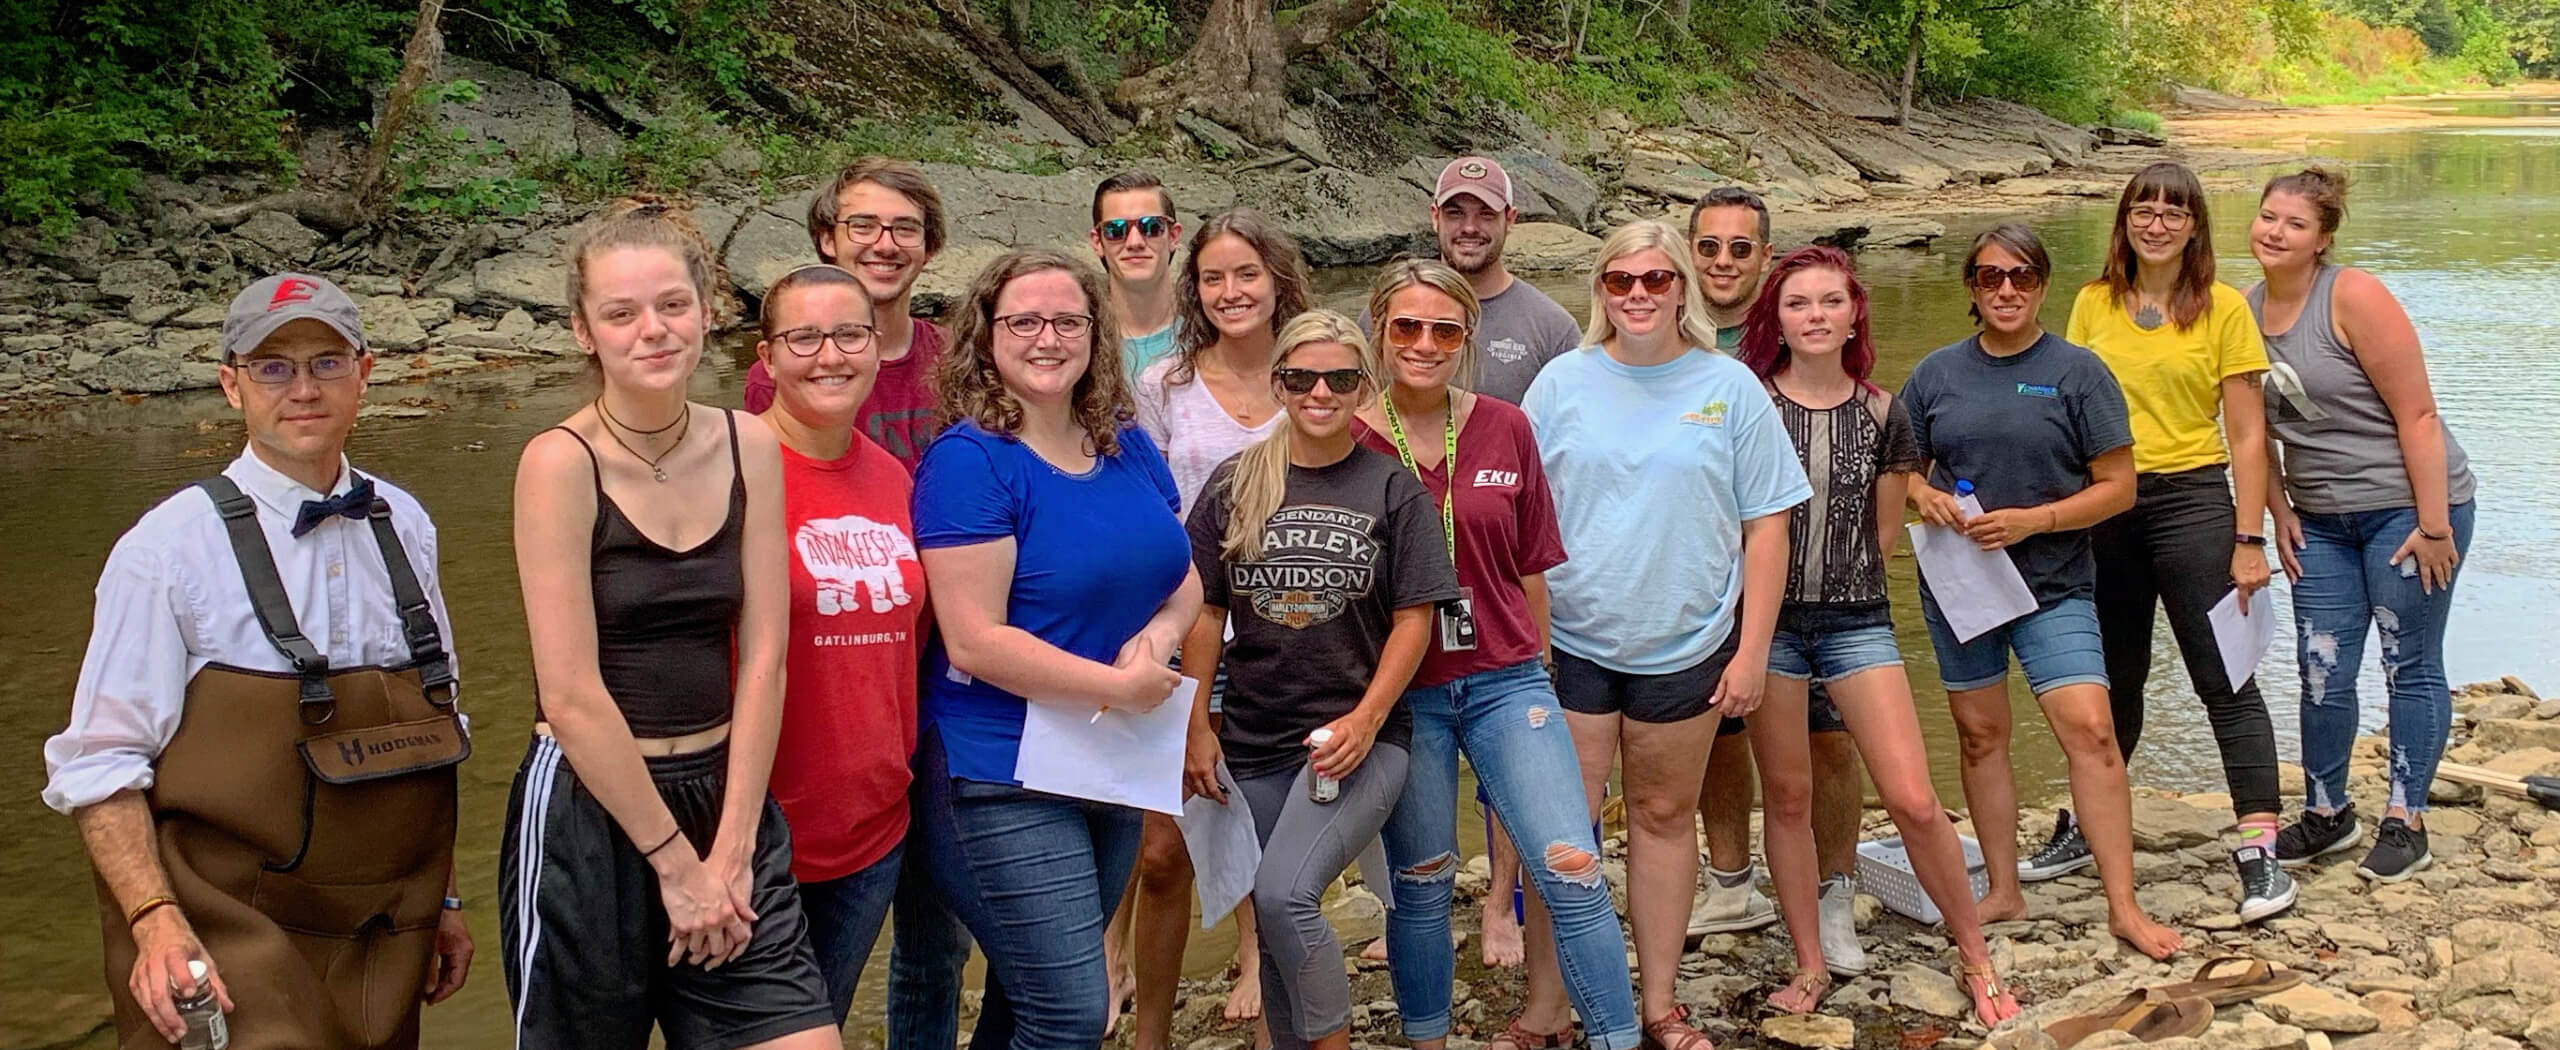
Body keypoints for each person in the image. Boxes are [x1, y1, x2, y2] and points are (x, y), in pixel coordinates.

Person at [42, 272, 472, 1048]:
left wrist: (443, 901)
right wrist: (154, 921)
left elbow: (433, 726)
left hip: (386, 931)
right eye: (273, 367)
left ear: (365, 374)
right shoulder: (166, 550)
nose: (303, 389)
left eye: (326, 363)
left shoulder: (405, 523)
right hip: (221, 931)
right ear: (231, 385)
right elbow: (100, 765)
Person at [503, 200, 837, 1048]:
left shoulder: (748, 443)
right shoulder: (559, 464)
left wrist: (732, 852)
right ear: (584, 332)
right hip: (591, 813)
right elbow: (569, 694)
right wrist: (675, 866)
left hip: (725, 798)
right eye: (622, 314)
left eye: (672, 305)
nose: (653, 330)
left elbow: (765, 658)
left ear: (708, 311)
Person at [1524, 220, 1810, 1050]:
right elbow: (1518, 517)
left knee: (1660, 815)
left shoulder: (1730, 386)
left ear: (1683, 287)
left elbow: (1768, 526)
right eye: (1622, 280)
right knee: (1563, 832)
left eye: (1656, 279)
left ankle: (1658, 1004)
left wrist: (1751, 651)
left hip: (1687, 642)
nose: (1639, 295)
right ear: (1600, 290)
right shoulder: (1560, 383)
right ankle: (1546, 1006)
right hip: (1572, 641)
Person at [910, 248, 1205, 1049]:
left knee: (1026, 1001)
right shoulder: (969, 463)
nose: (1048, 339)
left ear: (1095, 333)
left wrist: (1160, 637)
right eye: (1025, 322)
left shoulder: (1122, 442)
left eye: (1068, 321)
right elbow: (975, 640)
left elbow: (1182, 574)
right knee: (1072, 1011)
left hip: (1107, 760)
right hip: (998, 771)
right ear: (986, 335)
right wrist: (1119, 686)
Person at [1351, 261, 1641, 1050]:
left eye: (1445, 330)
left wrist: (1541, 674)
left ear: (1468, 338)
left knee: (1573, 868)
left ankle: (1616, 1037)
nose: (1425, 343)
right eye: (1407, 326)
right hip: (1404, 694)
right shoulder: (1346, 435)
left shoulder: (1506, 426)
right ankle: (1428, 1039)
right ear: (1379, 330)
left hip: (1506, 681)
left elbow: (1530, 571)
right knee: (1422, 883)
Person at [1736, 247, 2018, 1025]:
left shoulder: (1882, 413)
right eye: (1798, 303)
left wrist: (1843, 592)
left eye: (1831, 301)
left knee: (1913, 798)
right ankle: (1809, 962)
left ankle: (1975, 955)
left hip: (1857, 621)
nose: (1816, 316)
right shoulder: (1751, 405)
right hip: (1770, 626)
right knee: (1787, 798)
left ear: (1854, 314)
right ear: (1776, 319)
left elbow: (1884, 535)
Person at [1901, 223, 2182, 962]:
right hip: (1962, 585)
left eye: (2021, 276)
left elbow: (2119, 488)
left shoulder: (2078, 372)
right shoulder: (1934, 374)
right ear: (1971, 287)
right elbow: (1900, 470)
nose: (2006, 290)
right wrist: (1923, 496)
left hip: (2054, 581)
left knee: (2091, 731)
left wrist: (2037, 520)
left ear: (2043, 285)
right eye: (1990, 276)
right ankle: (2003, 889)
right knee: (1980, 734)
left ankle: (2123, 906)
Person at [1181, 309, 1460, 1050]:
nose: (1320, 392)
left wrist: (1366, 720)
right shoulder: (1235, 483)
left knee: (1285, 895)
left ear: (1363, 388)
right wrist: (1195, 723)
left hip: (1356, 741)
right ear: (1278, 384)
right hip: (1254, 735)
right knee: (1275, 927)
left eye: (1339, 378)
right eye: (1302, 377)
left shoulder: (1393, 490)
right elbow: (1204, 612)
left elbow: (1415, 620)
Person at [2057, 162, 2294, 922]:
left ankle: (2260, 851)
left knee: (2224, 675)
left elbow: (2248, 434)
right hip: (2107, 503)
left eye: (2173, 212)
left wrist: (2249, 537)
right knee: (2111, 679)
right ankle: (2086, 828)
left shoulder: (2223, 308)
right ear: (2124, 220)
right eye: (2143, 210)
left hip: (2192, 501)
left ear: (2195, 226)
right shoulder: (2092, 303)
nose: (2156, 224)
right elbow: (2064, 412)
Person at [2247, 167, 2478, 882]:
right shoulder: (2241, 311)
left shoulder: (2352, 296)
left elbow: (2419, 414)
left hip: (2407, 511)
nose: (2275, 232)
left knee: (2409, 663)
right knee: (2321, 669)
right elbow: (2250, 434)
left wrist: (2434, 526)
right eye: (2268, 217)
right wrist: (2278, 510)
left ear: (2322, 240)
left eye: (2295, 224)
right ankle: (2328, 812)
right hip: (2320, 521)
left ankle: (2407, 821)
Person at [1121, 208, 1316, 1048]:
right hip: (1183, 633)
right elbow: (1144, 508)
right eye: (1212, 278)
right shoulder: (1165, 385)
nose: (1231, 291)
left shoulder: (1316, 375)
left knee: (1274, 848)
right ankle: (1152, 1034)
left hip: (1293, 641)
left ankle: (1273, 1007)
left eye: (1247, 274)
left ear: (1277, 280)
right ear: (1193, 289)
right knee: (1162, 852)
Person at [752, 263, 934, 1026]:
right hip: (756, 837)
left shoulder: (892, 477)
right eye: (805, 338)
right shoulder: (729, 470)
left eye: (850, 335)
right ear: (766, 358)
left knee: (824, 1017)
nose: (830, 356)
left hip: (872, 827)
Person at [1684, 186, 1864, 951]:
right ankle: (1731, 881)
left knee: (1829, 735)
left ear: (1766, 254)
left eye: (1740, 247)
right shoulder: (1672, 332)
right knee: (1717, 731)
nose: (1723, 261)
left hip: (1811, 577)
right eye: (1708, 246)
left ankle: (1834, 887)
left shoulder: (1794, 329)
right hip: (1706, 571)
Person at [743, 157, 950, 468]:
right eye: (863, 227)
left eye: (906, 229)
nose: (885, 245)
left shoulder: (961, 360)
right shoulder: (786, 375)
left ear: (929, 247)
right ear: (828, 239)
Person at [1092, 169, 1186, 379]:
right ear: (1097, 242)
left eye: (1151, 227)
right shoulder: (1079, 342)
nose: (1135, 242)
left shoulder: (1211, 335)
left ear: (1173, 236)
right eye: (1115, 230)